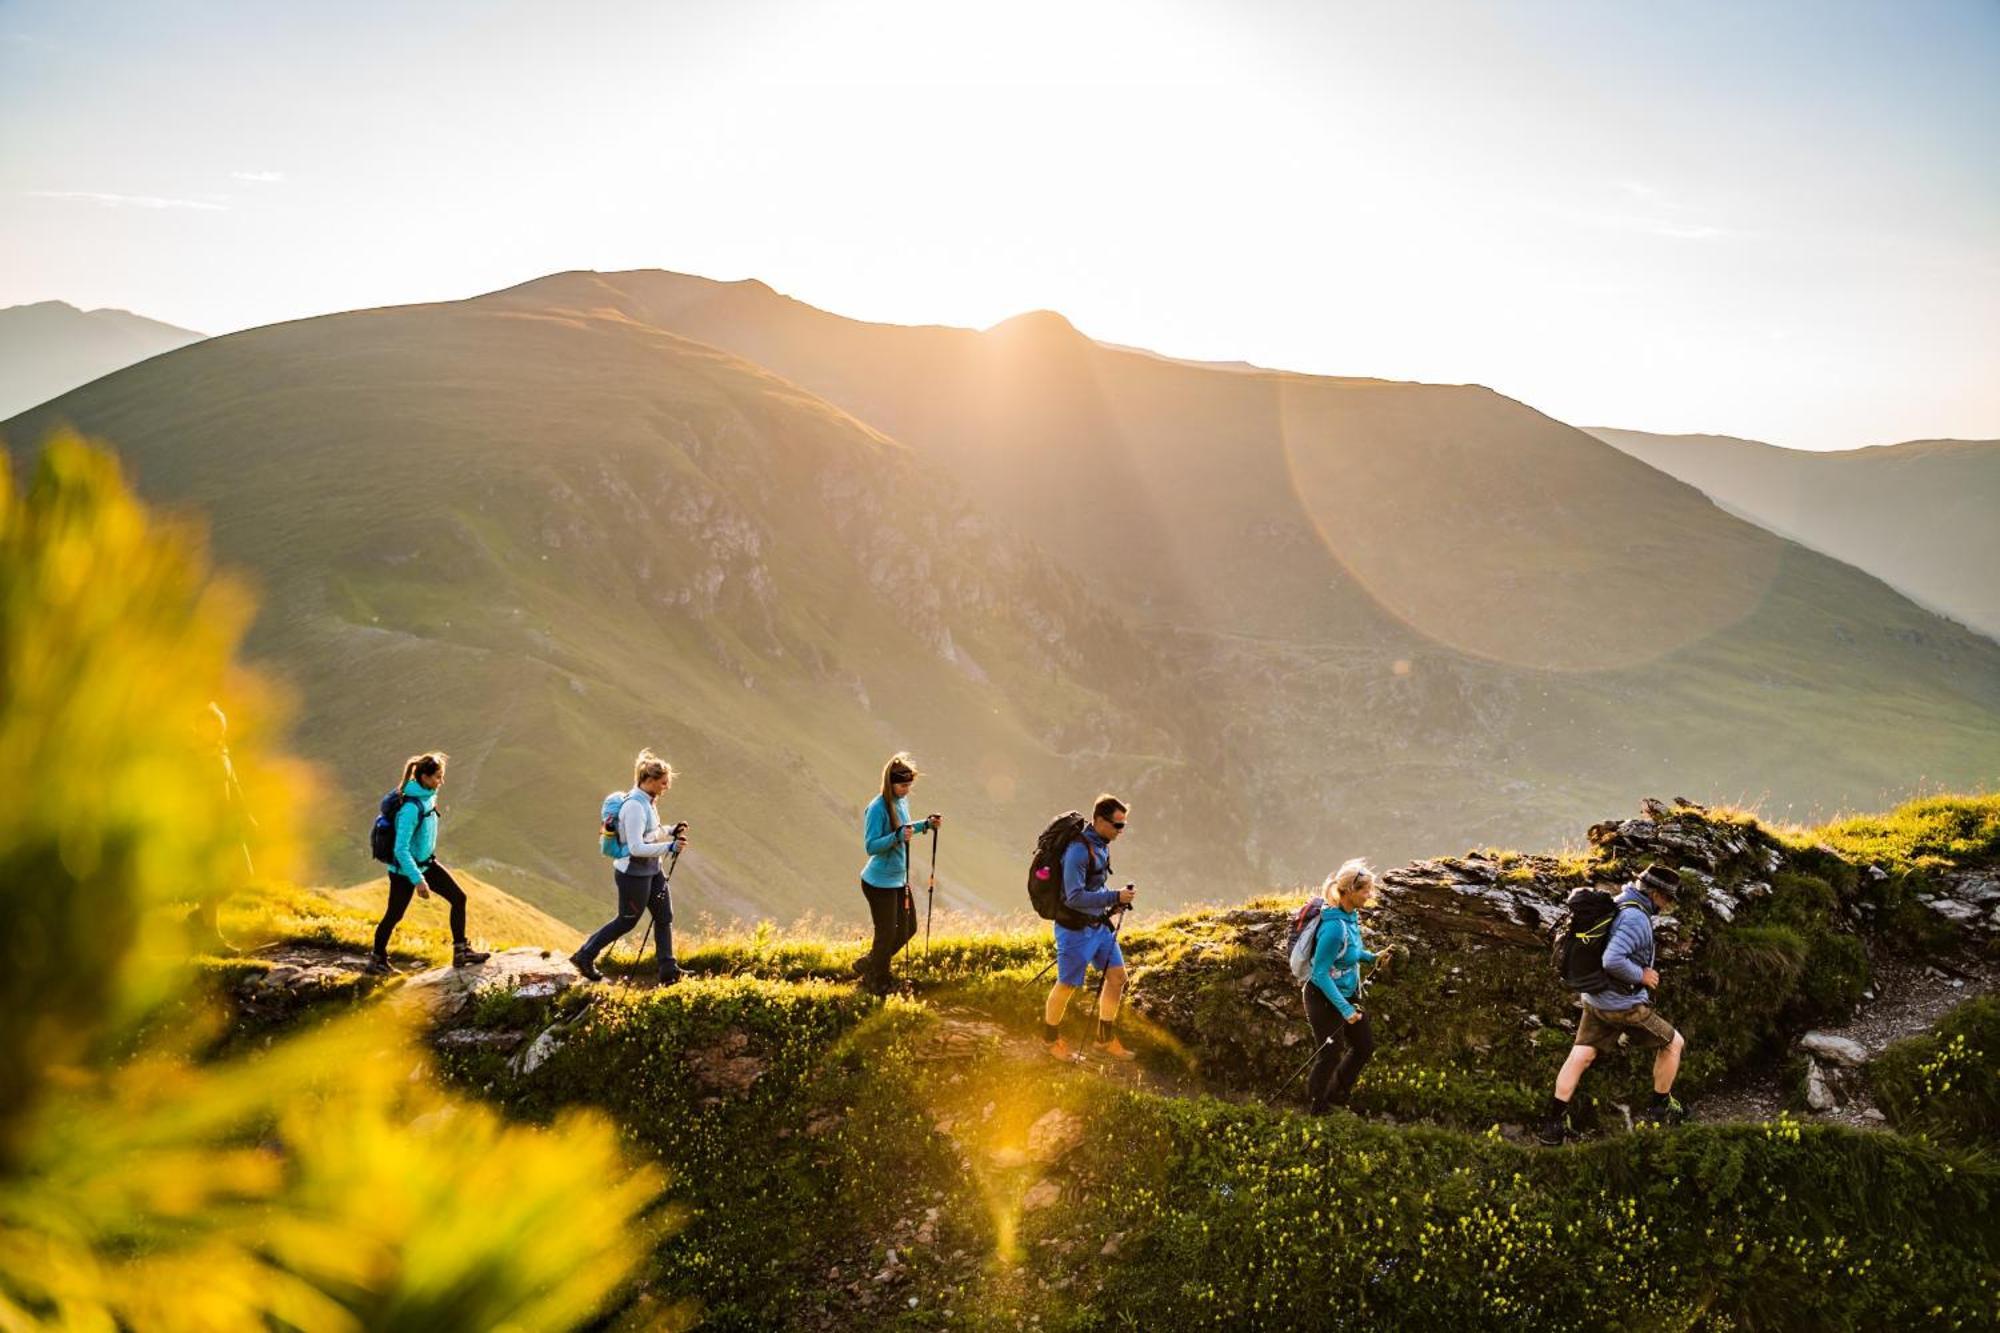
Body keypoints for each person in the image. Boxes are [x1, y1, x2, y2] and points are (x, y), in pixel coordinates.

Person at [1538, 864, 1688, 1145]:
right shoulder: (1636, 918)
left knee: (1581, 1054)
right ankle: (1661, 1106)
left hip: (1595, 998)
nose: (1668, 904)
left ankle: (1553, 1124)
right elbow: (1612, 959)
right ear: (1655, 894)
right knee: (1673, 1043)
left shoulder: (1618, 902)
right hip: (1622, 1005)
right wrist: (1641, 975)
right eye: (1667, 898)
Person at [570, 750, 689, 984]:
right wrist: (670, 847)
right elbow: (635, 847)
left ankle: (668, 970)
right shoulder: (634, 806)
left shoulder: (647, 801)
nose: (666, 787)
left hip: (652, 869)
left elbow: (649, 833)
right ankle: (584, 955)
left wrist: (670, 829)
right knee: (627, 920)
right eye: (664, 783)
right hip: (633, 874)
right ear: (650, 780)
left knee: (664, 916)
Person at [367, 751, 489, 974]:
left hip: (426, 863)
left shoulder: (428, 795)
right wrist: (418, 880)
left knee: (459, 898)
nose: (441, 782)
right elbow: (400, 849)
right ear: (423, 776)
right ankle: (377, 960)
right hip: (404, 871)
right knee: (394, 915)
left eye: (442, 776)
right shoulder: (410, 808)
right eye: (437, 777)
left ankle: (461, 951)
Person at [1042, 794, 1137, 1062]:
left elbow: (1094, 887)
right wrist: (1114, 898)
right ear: (1098, 820)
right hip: (1074, 930)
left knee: (1118, 978)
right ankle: (1049, 1041)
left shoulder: (1102, 844)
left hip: (1098, 926)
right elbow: (1074, 897)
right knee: (1067, 985)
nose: (1121, 831)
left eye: (1124, 825)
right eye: (1117, 825)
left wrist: (1112, 903)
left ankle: (1104, 1040)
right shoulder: (1078, 851)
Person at [1301, 858, 1393, 1113]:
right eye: (1365, 890)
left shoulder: (1351, 917)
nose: (1370, 895)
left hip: (1345, 993)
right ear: (1349, 892)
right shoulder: (1333, 928)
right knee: (1331, 1051)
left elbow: (1352, 952)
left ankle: (1337, 1095)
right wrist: (1345, 1009)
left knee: (1364, 1046)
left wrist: (1373, 957)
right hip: (1322, 996)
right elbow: (1320, 973)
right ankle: (1316, 1106)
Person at [853, 753, 942, 996]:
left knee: (908, 928)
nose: (906, 790)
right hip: (878, 882)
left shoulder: (901, 802)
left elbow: (905, 828)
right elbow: (870, 846)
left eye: (909, 786)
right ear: (891, 783)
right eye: (903, 786)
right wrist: (896, 838)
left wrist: (926, 824)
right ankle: (878, 979)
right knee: (887, 934)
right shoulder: (877, 808)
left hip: (898, 879)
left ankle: (871, 964)